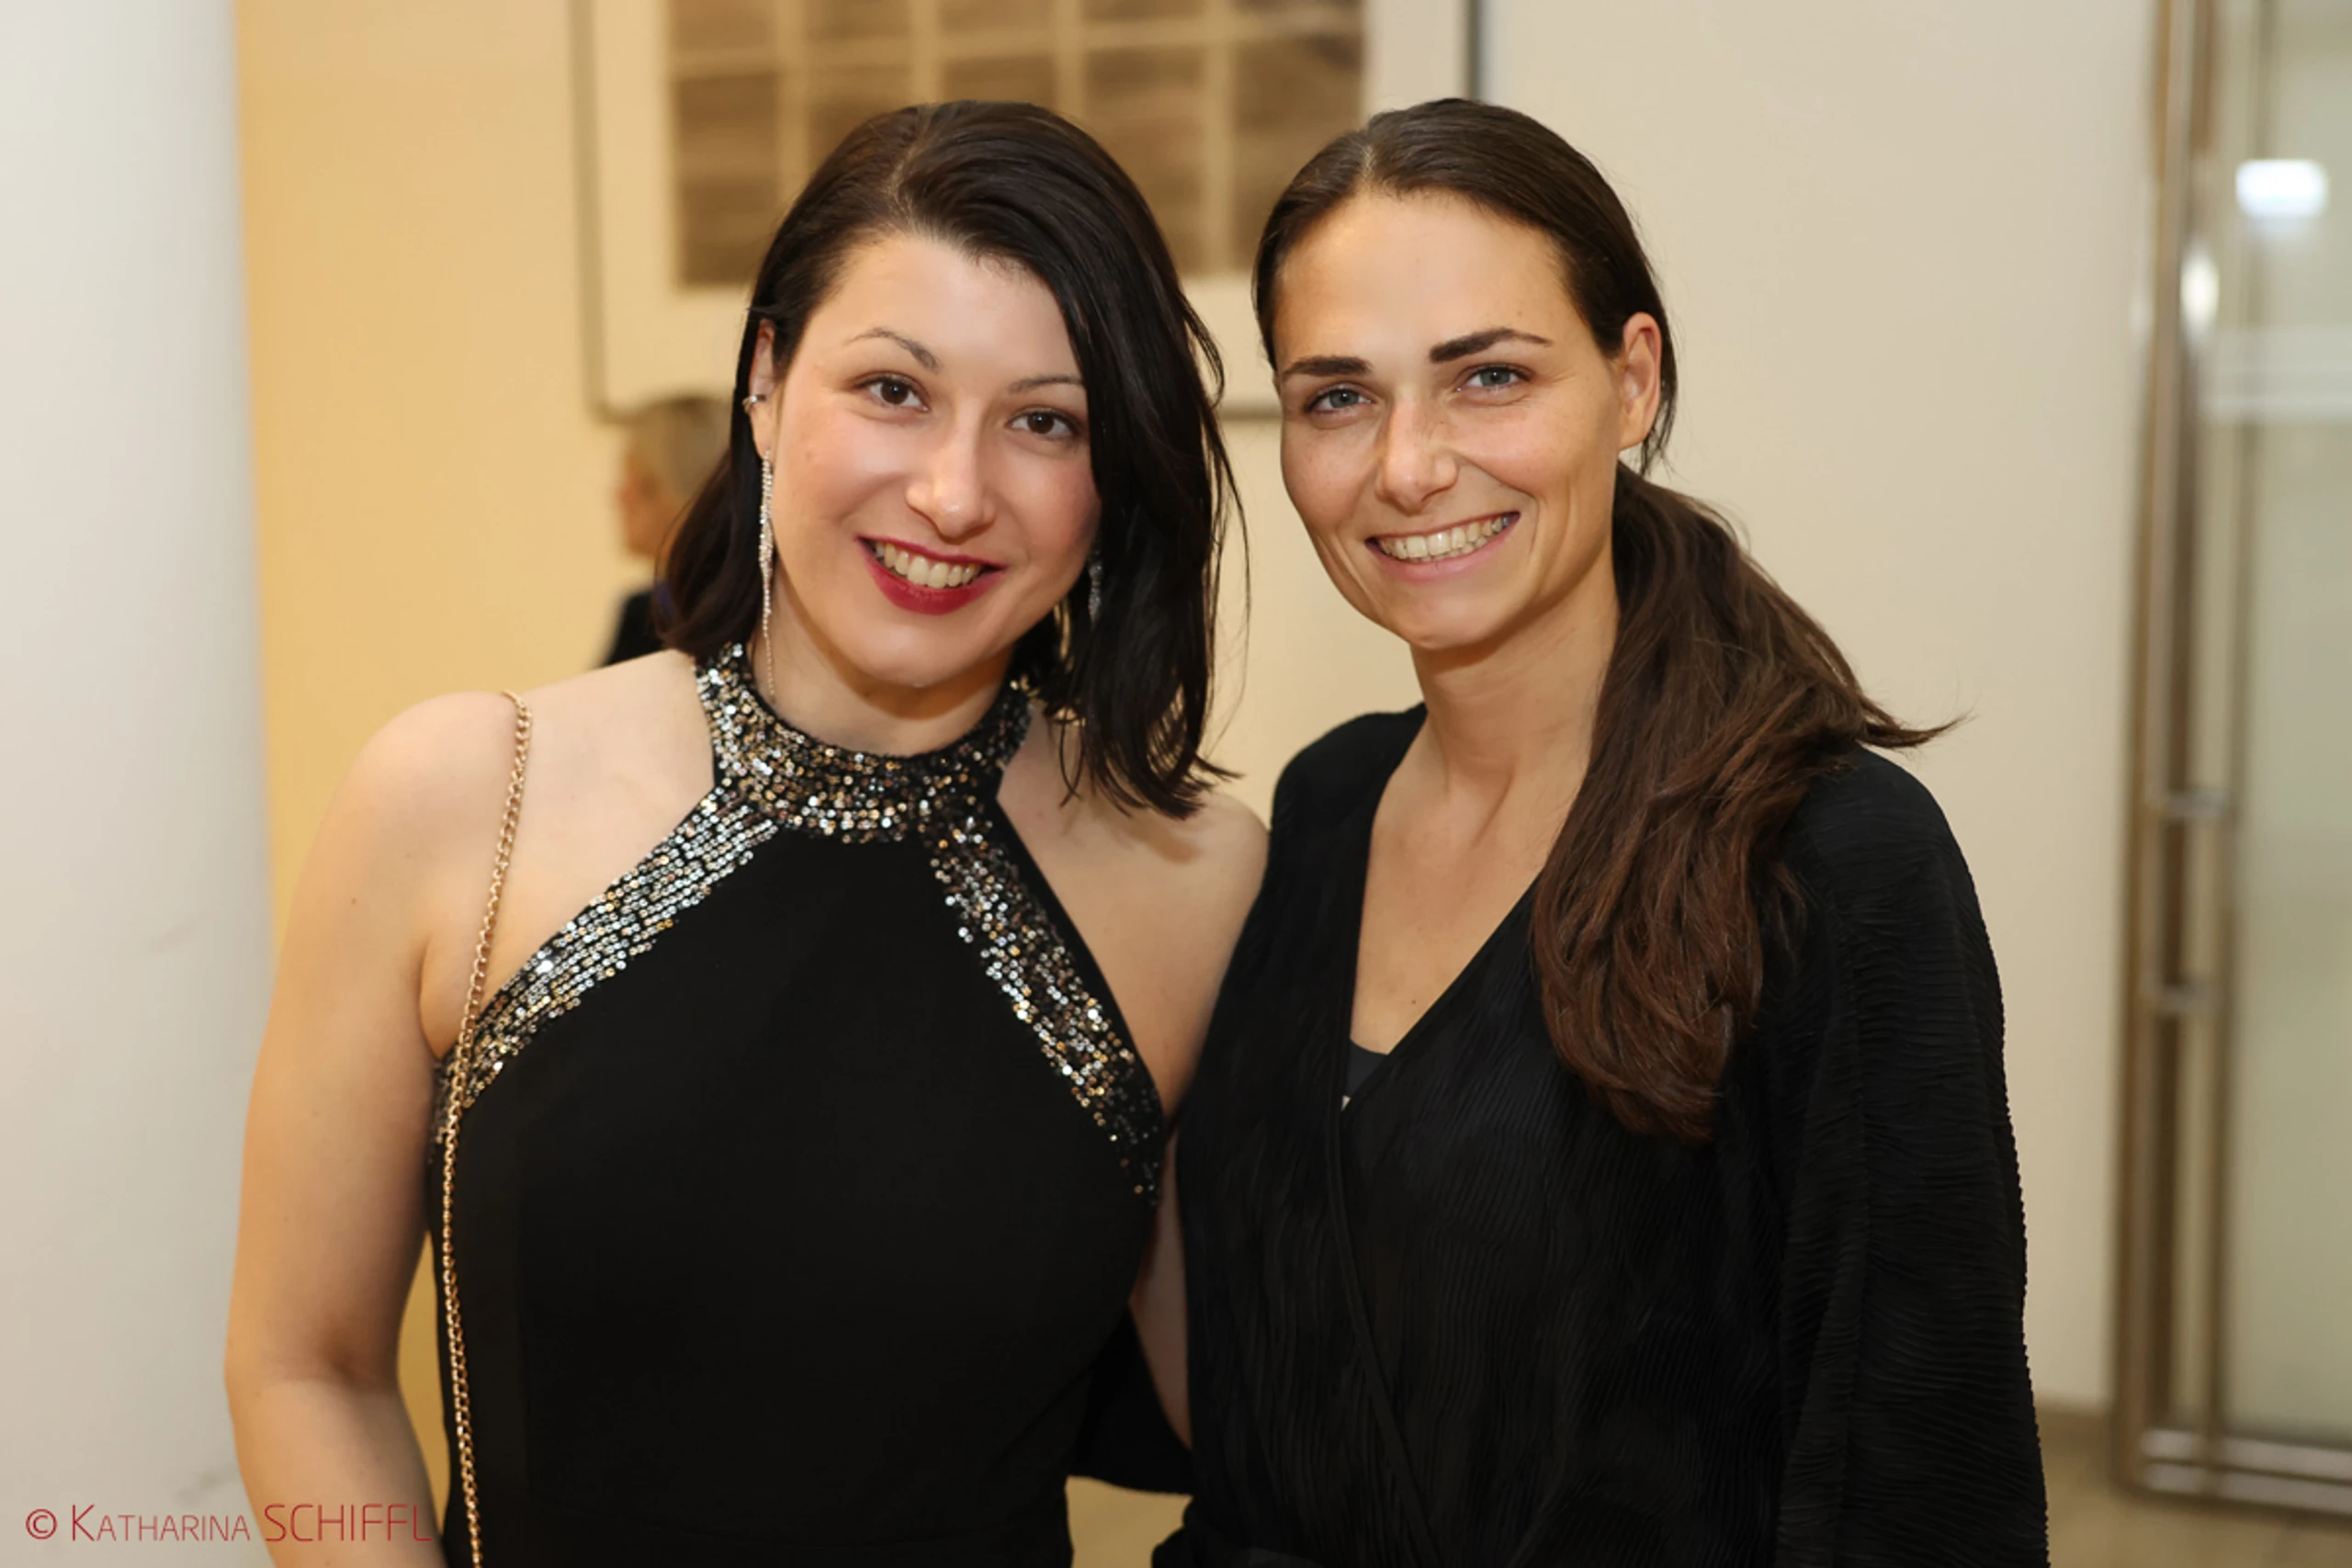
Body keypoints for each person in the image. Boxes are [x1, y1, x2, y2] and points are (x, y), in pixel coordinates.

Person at [225, 100, 1262, 1567]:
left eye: (1046, 420)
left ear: (1115, 474)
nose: (954, 493)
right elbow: (306, 1364)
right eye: (893, 388)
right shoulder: (466, 794)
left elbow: (1269, 1431)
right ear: (766, 384)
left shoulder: (1194, 877)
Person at [1157, 100, 2046, 1567]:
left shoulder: (1829, 858)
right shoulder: (1321, 807)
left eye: (1489, 376)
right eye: (1338, 396)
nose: (1408, 465)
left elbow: (1918, 1481)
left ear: (1632, 379)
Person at [604, 394, 729, 664]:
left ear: (669, 489)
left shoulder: (652, 620)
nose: (618, 496)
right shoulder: (763, 605)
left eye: (631, 478)